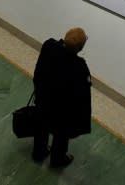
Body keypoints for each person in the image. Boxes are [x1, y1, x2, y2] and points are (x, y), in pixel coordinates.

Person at [32, 27, 91, 168]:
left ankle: (39, 152)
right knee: (61, 135)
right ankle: (57, 160)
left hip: (43, 99)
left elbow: (38, 71)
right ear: (80, 48)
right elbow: (82, 97)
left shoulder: (49, 46)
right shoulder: (79, 66)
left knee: (41, 126)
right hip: (62, 111)